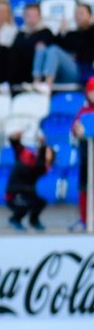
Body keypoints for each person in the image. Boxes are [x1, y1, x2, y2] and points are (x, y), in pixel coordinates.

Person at [31, 3, 94, 93]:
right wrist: (61, 31)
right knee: (42, 48)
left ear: (90, 16)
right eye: (76, 13)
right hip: (62, 71)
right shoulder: (71, 34)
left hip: (80, 71)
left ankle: (47, 84)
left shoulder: (91, 33)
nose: (78, 16)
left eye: (81, 13)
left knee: (54, 50)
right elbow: (54, 43)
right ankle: (36, 82)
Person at [4, 131, 53, 231]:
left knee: (40, 202)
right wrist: (15, 138)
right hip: (14, 193)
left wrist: (44, 148)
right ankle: (15, 219)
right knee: (25, 203)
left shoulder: (41, 167)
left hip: (28, 193)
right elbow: (16, 145)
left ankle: (33, 221)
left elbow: (42, 166)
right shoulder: (26, 157)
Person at [71, 76, 94, 231]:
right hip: (87, 156)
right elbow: (74, 129)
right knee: (84, 187)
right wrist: (76, 130)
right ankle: (85, 219)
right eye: (91, 91)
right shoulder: (83, 111)